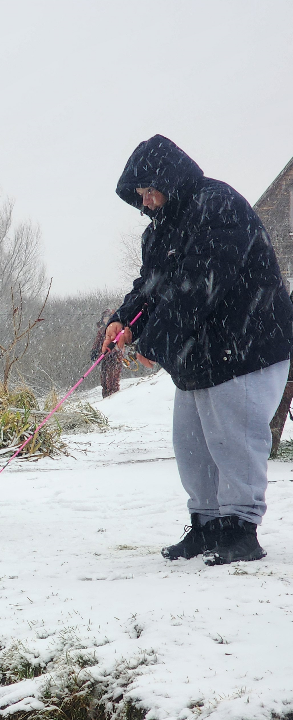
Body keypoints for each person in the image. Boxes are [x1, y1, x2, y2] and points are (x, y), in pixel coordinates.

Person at [104, 135, 293, 565]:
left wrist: (156, 342)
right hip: (200, 355)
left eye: (149, 190)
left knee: (234, 439)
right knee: (191, 444)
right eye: (139, 196)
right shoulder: (158, 232)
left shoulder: (218, 207)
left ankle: (241, 529)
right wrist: (126, 320)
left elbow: (197, 288)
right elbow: (151, 287)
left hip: (247, 346)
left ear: (168, 178)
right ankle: (207, 525)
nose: (146, 202)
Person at [91, 309, 121, 398]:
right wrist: (94, 351)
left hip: (114, 359)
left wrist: (107, 353)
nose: (106, 320)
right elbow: (97, 342)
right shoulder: (101, 330)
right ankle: (106, 398)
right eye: (104, 318)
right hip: (104, 359)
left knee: (112, 381)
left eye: (108, 318)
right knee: (104, 381)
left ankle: (114, 398)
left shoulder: (115, 329)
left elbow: (116, 345)